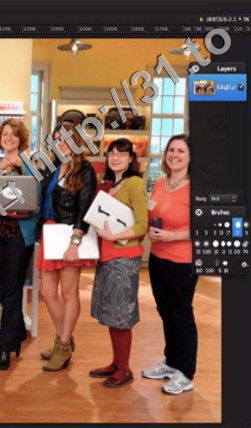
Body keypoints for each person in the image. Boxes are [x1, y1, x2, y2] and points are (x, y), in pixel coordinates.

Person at [37, 121, 97, 372]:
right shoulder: (52, 167)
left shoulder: (85, 169)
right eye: (57, 139)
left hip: (70, 234)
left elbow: (85, 207)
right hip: (50, 232)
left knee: (68, 293)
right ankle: (65, 339)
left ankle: (62, 345)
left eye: (66, 139)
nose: (61, 143)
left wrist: (75, 241)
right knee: (47, 292)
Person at [89, 138, 148, 387]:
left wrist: (114, 236)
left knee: (121, 316)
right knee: (112, 314)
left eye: (121, 154)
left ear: (131, 158)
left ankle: (125, 369)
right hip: (107, 257)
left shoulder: (134, 184)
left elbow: (142, 225)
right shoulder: (112, 184)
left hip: (124, 258)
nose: (115, 157)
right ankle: (116, 363)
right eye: (111, 153)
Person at [143, 134, 198, 394]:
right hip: (158, 257)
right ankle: (171, 361)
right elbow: (152, 213)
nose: (174, 155)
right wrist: (150, 230)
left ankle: (185, 373)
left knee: (181, 313)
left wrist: (172, 236)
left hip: (183, 262)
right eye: (171, 150)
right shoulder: (160, 182)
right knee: (165, 311)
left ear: (191, 157)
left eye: (181, 151)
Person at [0, 119, 39, 370]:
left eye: (13, 134)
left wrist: (21, 212)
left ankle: (5, 348)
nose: (8, 138)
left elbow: (36, 202)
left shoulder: (30, 166)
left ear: (21, 139)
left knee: (14, 289)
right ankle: (16, 334)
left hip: (19, 234)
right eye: (4, 134)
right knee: (2, 288)